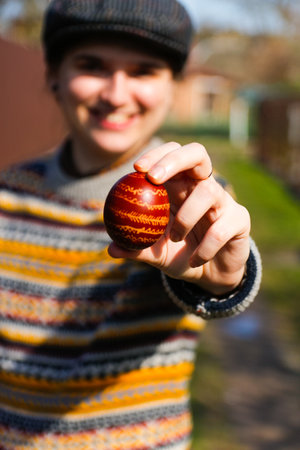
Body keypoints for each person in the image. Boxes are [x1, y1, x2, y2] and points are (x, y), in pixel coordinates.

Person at [0, 0, 262, 449]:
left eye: (144, 71)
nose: (116, 94)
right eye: (92, 65)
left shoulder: (193, 200)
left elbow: (221, 272)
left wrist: (225, 279)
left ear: (171, 85)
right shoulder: (9, 193)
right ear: (54, 76)